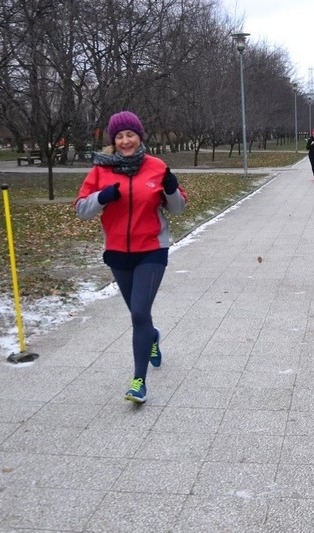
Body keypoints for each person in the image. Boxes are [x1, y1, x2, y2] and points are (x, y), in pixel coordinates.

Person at [74, 111, 187, 403]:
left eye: (130, 135)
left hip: (151, 248)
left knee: (138, 313)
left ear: (140, 136)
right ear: (113, 140)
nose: (125, 141)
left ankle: (139, 382)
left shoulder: (156, 166)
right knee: (141, 315)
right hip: (117, 253)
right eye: (120, 136)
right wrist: (102, 197)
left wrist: (172, 189)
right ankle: (152, 336)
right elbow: (81, 210)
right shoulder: (101, 170)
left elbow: (177, 209)